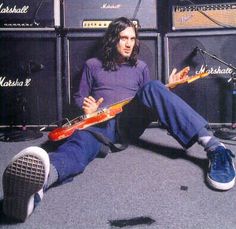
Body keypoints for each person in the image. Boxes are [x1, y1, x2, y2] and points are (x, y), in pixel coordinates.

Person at [2, 17, 235, 222]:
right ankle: (39, 184)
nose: (128, 43)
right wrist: (87, 107)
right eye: (123, 37)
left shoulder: (141, 67)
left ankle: (215, 148)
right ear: (113, 39)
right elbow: (78, 96)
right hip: (97, 124)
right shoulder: (92, 66)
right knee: (78, 146)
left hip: (127, 123)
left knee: (153, 87)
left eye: (132, 38)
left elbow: (149, 100)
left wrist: (168, 88)